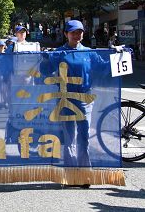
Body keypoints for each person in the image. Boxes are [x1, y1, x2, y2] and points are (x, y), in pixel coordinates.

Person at [43, 20, 108, 188]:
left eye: (79, 32)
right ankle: (71, 175)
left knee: (83, 137)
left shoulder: (89, 52)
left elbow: (104, 68)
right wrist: (45, 59)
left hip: (84, 100)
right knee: (69, 137)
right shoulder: (58, 53)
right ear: (66, 34)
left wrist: (119, 54)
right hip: (65, 99)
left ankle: (85, 174)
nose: (76, 35)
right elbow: (45, 71)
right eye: (73, 32)